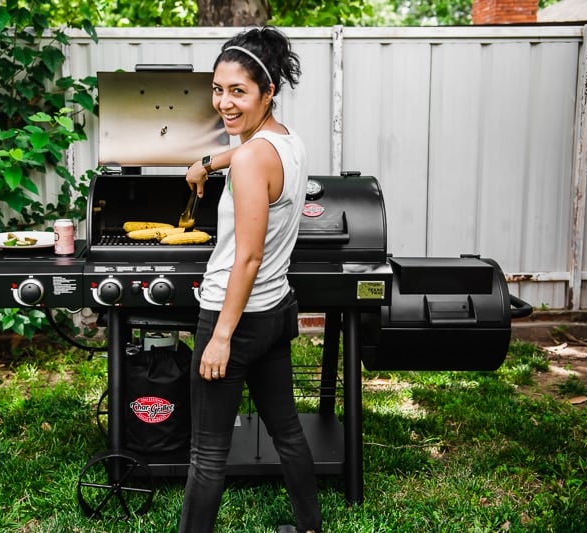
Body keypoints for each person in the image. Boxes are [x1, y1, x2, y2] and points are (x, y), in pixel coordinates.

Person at [178, 26, 322, 533]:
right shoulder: (286, 142)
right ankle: (309, 529)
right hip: (274, 311)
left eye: (238, 91)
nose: (224, 102)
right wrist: (206, 161)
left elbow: (248, 257)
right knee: (287, 430)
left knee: (207, 453)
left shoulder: (251, 159)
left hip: (232, 316)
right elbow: (248, 157)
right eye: (218, 89)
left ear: (268, 92)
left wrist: (220, 338)